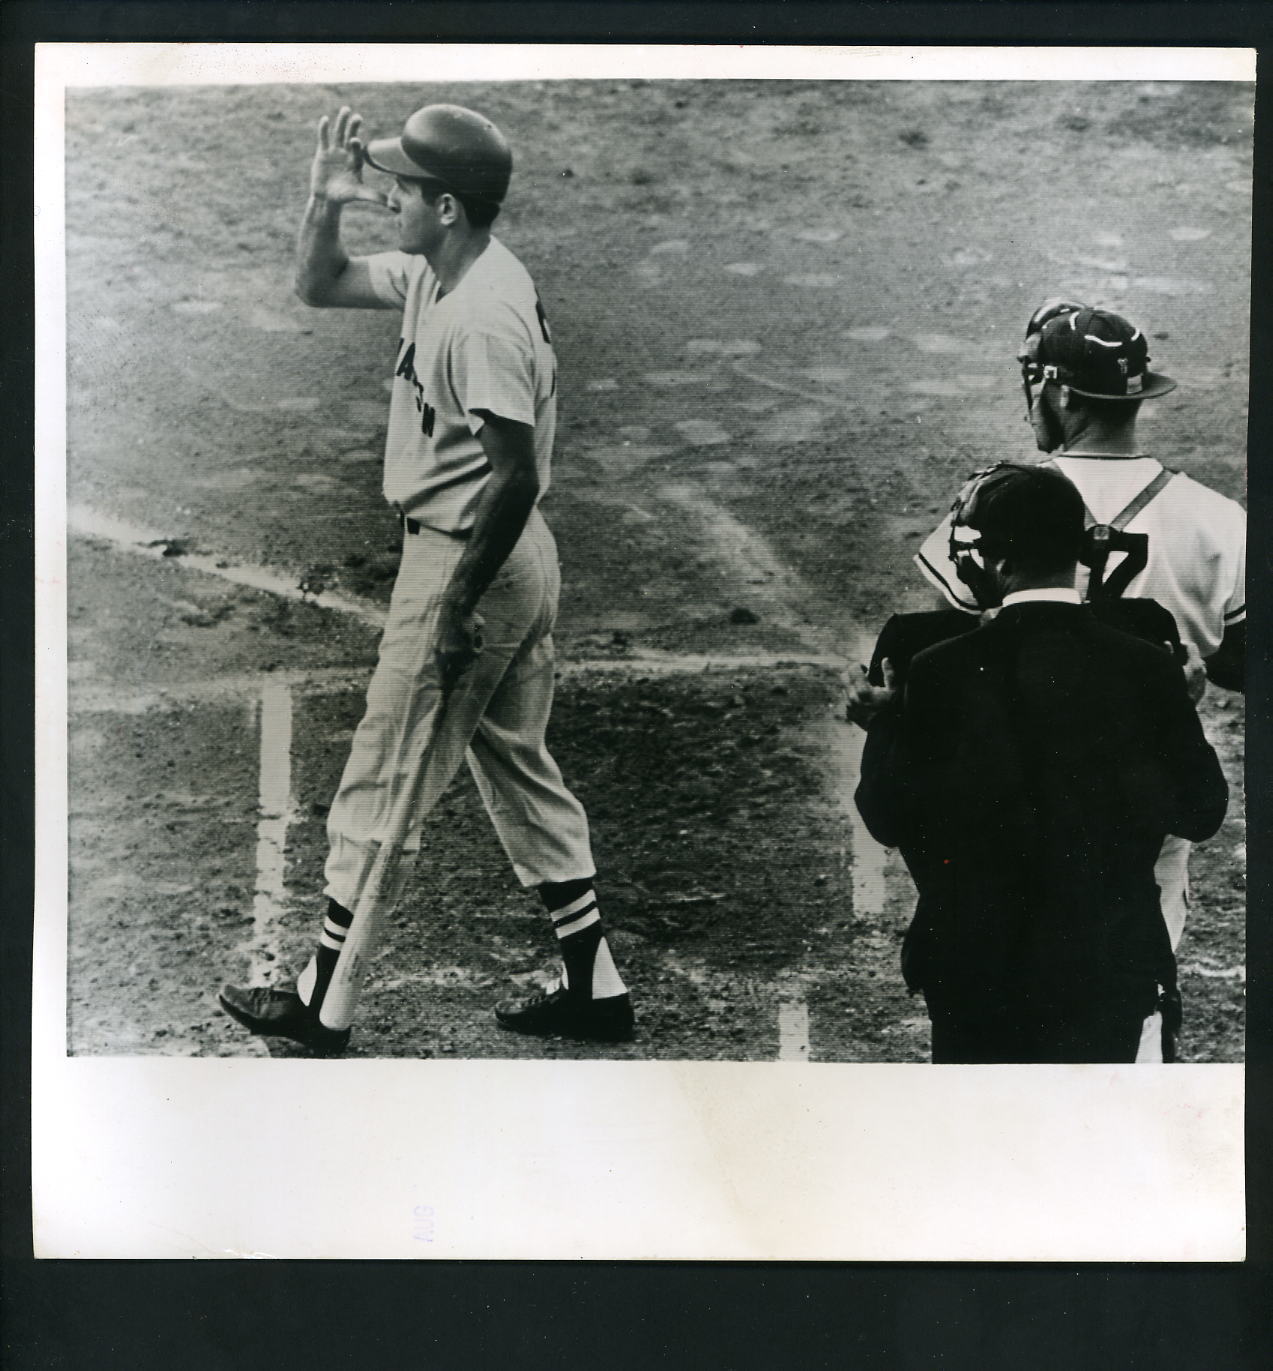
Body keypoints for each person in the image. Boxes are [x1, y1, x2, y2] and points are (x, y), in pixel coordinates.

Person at [219, 103, 633, 1054]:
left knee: (386, 768)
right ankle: (593, 982)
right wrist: (321, 201)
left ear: (446, 206)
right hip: (513, 557)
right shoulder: (443, 271)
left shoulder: (478, 318)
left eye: (402, 187)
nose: (386, 196)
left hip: (471, 557)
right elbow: (318, 284)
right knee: (517, 767)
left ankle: (325, 997)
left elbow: (515, 471)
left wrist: (452, 608)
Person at [903, 299, 1244, 1059]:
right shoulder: (1219, 521)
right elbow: (1241, 661)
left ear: (1057, 391)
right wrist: (1177, 684)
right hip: (1140, 810)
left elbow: (943, 652)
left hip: (1006, 816)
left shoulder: (997, 506)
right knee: (1130, 995)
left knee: (997, 1015)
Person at [854, 463, 1227, 1063]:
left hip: (976, 967)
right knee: (1087, 1136)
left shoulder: (937, 669)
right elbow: (1202, 811)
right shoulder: (1147, 666)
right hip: (1107, 965)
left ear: (998, 562)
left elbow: (887, 817)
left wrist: (884, 725)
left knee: (988, 1137)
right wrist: (1180, 712)